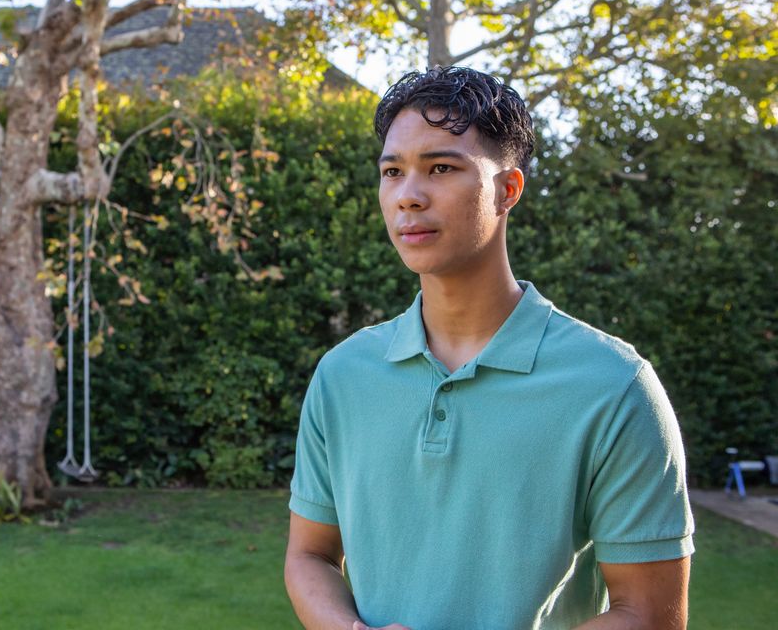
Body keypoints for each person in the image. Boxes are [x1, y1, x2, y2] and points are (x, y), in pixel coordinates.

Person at [284, 66, 694, 630]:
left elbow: (650, 614)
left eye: (442, 168)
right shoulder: (342, 375)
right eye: (392, 171)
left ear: (508, 190)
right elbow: (310, 556)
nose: (408, 196)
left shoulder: (614, 385)